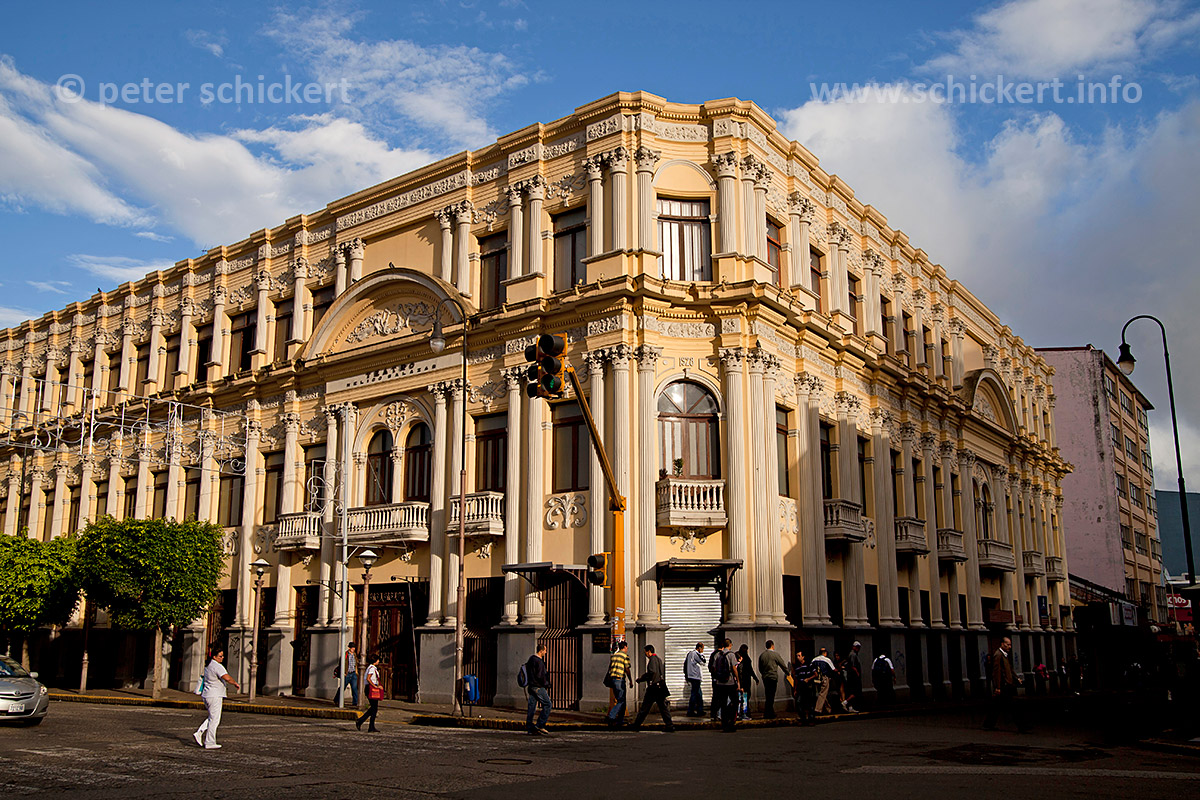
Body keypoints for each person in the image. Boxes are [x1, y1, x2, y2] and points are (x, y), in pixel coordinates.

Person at [193, 645, 240, 749]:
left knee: (212, 717)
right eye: (220, 656)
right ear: (214, 657)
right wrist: (235, 683)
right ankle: (209, 741)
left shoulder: (208, 666)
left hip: (207, 694)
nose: (222, 658)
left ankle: (200, 732)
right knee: (214, 719)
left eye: (223, 656)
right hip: (215, 695)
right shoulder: (217, 666)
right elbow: (226, 677)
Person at [983, 636, 1027, 732]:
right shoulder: (998, 655)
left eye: (1010, 645)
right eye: (1008, 644)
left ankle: (988, 724)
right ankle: (1022, 725)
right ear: (1002, 644)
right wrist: (997, 687)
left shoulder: (1004, 655)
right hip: (1004, 686)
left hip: (1006, 685)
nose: (1009, 647)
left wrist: (1017, 678)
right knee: (1013, 705)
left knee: (997, 706)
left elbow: (1010, 669)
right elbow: (996, 672)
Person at [630, 645, 675, 732]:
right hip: (660, 687)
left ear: (649, 652)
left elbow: (652, 672)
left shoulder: (652, 660)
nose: (645, 654)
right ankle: (669, 725)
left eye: (645, 652)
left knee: (645, 708)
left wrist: (642, 678)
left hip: (653, 688)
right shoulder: (659, 659)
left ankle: (636, 725)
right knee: (663, 707)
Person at [710, 638, 739, 732]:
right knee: (734, 701)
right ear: (730, 645)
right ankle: (731, 722)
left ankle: (724, 723)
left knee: (723, 703)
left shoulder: (717, 655)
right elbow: (734, 668)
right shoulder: (731, 655)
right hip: (729, 682)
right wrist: (738, 680)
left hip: (720, 683)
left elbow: (714, 668)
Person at [525, 643, 552, 736]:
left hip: (531, 686)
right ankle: (540, 725)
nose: (546, 652)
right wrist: (547, 684)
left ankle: (530, 728)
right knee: (548, 704)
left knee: (531, 707)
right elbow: (541, 676)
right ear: (541, 651)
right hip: (538, 686)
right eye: (545, 650)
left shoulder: (531, 659)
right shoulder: (539, 662)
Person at [757, 640, 790, 719]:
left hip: (765, 677)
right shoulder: (775, 655)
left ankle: (769, 712)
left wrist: (763, 674)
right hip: (773, 677)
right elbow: (782, 664)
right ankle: (768, 713)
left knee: (768, 694)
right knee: (771, 695)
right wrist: (787, 672)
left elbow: (760, 667)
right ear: (772, 646)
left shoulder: (762, 655)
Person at [605, 640, 632, 728]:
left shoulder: (614, 656)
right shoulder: (625, 656)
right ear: (625, 647)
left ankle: (620, 720)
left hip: (613, 680)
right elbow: (627, 669)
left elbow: (610, 668)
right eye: (627, 647)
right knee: (621, 700)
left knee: (621, 700)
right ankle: (611, 716)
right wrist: (631, 680)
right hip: (620, 680)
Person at [356, 653, 382, 732]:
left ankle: (363, 721)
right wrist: (375, 686)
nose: (378, 661)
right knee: (374, 708)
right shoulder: (372, 668)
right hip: (371, 688)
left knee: (374, 708)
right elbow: (368, 678)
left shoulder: (371, 668)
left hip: (370, 688)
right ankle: (367, 724)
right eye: (377, 660)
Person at [791, 650, 817, 726]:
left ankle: (811, 719)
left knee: (810, 703)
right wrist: (795, 689)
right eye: (797, 656)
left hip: (809, 686)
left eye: (799, 656)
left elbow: (816, 674)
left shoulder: (809, 665)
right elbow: (796, 679)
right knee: (799, 702)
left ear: (803, 657)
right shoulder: (797, 667)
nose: (798, 657)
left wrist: (808, 679)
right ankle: (803, 719)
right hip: (801, 686)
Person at [735, 644, 758, 720]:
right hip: (745, 682)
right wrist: (755, 678)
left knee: (740, 698)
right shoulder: (746, 660)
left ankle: (739, 713)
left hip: (738, 682)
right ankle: (744, 713)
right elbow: (750, 670)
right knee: (745, 698)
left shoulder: (737, 659)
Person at [684, 642, 706, 717]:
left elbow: (685, 664)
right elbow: (703, 662)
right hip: (695, 676)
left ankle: (700, 710)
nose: (702, 650)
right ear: (699, 648)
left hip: (691, 676)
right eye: (702, 649)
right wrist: (702, 654)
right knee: (694, 694)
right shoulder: (696, 654)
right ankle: (691, 711)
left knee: (699, 694)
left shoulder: (689, 654)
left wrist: (686, 675)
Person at [812, 647, 835, 715]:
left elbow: (811, 668)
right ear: (825, 653)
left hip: (816, 678)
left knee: (821, 693)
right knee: (823, 693)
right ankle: (817, 709)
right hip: (824, 677)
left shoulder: (814, 660)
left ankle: (828, 709)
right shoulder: (827, 660)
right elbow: (833, 669)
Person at [335, 642, 359, 707]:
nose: (353, 649)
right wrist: (343, 672)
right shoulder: (345, 655)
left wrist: (356, 671)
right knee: (342, 687)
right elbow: (341, 664)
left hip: (353, 673)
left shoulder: (354, 655)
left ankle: (355, 702)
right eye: (352, 648)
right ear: (349, 648)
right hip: (347, 673)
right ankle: (337, 699)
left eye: (354, 647)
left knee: (354, 688)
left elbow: (356, 663)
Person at [844, 641, 863, 713]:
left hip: (852, 675)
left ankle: (850, 706)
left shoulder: (853, 654)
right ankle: (845, 702)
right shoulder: (853, 655)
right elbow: (853, 666)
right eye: (857, 647)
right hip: (853, 676)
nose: (858, 649)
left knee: (851, 691)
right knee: (856, 691)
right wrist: (857, 673)